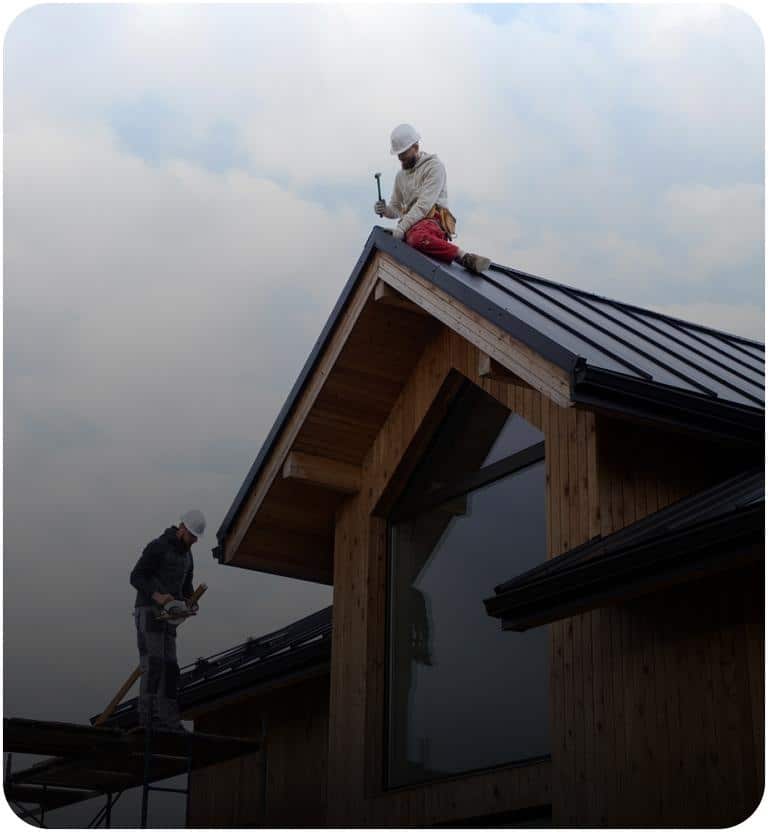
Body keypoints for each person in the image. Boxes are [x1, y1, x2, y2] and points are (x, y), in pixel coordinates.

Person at [375, 124, 492, 274]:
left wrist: (402, 228)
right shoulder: (401, 176)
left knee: (417, 239)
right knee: (391, 240)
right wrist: (385, 210)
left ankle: (464, 257)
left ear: (416, 148)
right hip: (411, 225)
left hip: (431, 221)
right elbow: (396, 208)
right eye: (399, 156)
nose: (402, 160)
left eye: (405, 154)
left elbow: (424, 205)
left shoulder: (434, 167)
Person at [129, 509, 206, 732]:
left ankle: (170, 720)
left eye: (195, 538)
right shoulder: (158, 547)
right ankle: (149, 719)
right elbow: (136, 576)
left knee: (170, 667)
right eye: (191, 535)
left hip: (170, 617)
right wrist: (158, 596)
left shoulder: (188, 556)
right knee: (154, 664)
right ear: (181, 528)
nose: (193, 540)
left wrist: (190, 602)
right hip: (149, 611)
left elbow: (186, 586)